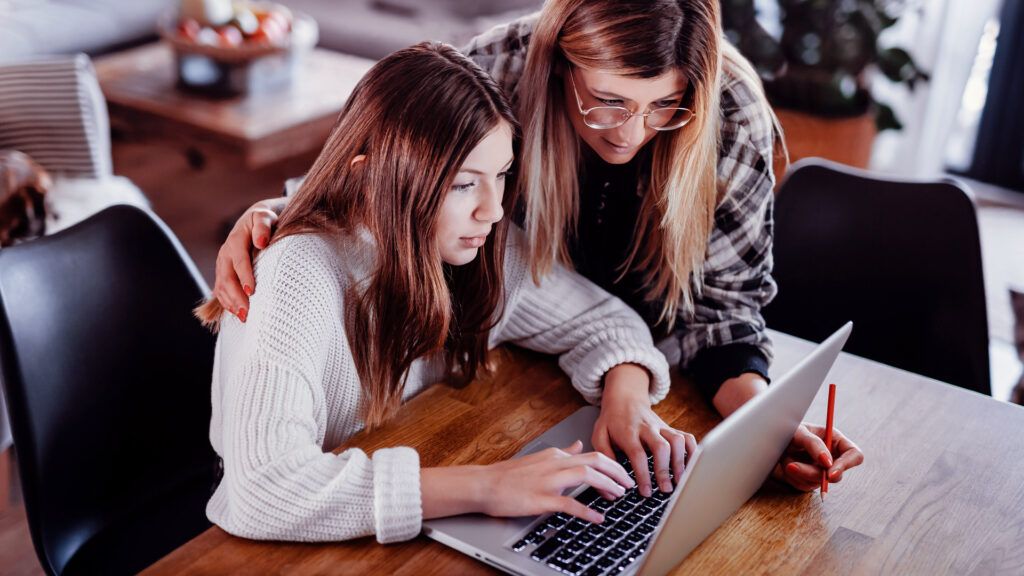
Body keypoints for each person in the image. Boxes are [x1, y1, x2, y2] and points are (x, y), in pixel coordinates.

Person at [208, 0, 863, 497]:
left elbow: (723, 313)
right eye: (607, 101)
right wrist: (286, 214)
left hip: (616, 372)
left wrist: (765, 429)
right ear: (562, 64)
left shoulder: (728, 114)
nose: (633, 134)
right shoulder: (500, 69)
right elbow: (393, 164)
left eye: (665, 106)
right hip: (493, 360)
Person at [192, 42, 687, 543]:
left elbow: (604, 321)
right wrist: (487, 487)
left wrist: (626, 398)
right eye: (462, 185)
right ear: (369, 178)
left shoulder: (472, 247)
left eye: (499, 176)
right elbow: (265, 490)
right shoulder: (295, 275)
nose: (493, 211)